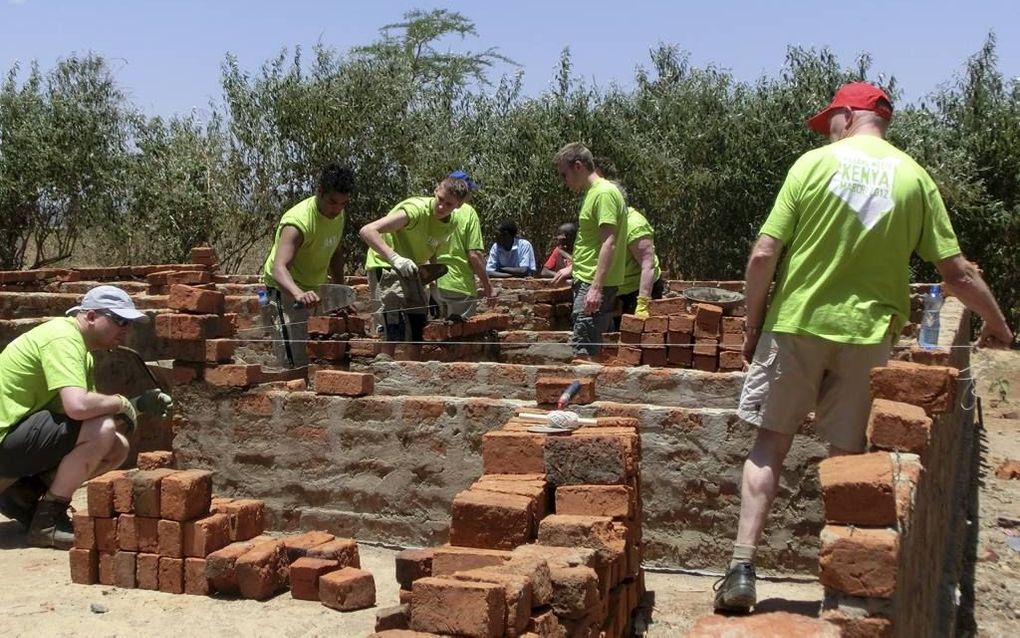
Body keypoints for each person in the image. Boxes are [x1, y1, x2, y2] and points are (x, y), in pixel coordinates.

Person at [713, 82, 1014, 613]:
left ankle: (741, 567)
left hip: (796, 325)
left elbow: (764, 254)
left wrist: (754, 324)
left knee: (768, 445)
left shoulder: (812, 166)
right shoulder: (914, 178)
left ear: (851, 115)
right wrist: (999, 325)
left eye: (829, 118)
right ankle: (844, 586)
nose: (825, 128)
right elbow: (957, 272)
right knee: (847, 458)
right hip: (867, 337)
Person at [0, 286, 173, 549]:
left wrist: (135, 406)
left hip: (15, 442)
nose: (125, 329)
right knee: (103, 429)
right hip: (5, 439)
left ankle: (23, 497)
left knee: (116, 446)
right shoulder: (62, 338)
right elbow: (79, 407)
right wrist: (120, 402)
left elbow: (83, 420)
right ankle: (46, 523)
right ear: (91, 316)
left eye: (128, 323)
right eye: (119, 320)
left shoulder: (82, 351)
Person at [360, 176, 471, 358]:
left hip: (412, 269)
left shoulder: (451, 223)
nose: (441, 207)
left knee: (417, 322)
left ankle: (412, 370)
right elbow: (368, 231)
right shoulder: (415, 211)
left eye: (449, 204)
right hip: (385, 263)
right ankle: (384, 369)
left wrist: (435, 287)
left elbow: (433, 249)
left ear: (458, 206)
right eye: (440, 199)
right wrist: (395, 258)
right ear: (435, 190)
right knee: (392, 321)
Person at [261, 163, 355, 368]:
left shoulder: (338, 215)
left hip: (313, 292)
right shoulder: (298, 222)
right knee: (292, 361)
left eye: (343, 203)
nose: (337, 209)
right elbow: (279, 268)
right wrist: (298, 294)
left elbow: (336, 253)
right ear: (319, 191)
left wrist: (340, 292)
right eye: (332, 202)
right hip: (284, 291)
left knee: (316, 356)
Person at [552, 142, 628, 359]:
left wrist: (596, 288)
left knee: (584, 352)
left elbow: (609, 243)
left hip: (592, 284)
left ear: (578, 166)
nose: (564, 181)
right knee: (584, 346)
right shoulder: (593, 193)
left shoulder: (603, 193)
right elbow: (593, 241)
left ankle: (583, 390)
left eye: (564, 174)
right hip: (585, 278)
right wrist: (573, 268)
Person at [591, 157, 664, 322]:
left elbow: (648, 265)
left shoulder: (634, 223)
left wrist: (643, 303)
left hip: (640, 291)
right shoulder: (605, 222)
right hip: (617, 290)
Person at [434, 171, 496, 319]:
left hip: (436, 282)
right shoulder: (468, 212)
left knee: (437, 336)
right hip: (459, 284)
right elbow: (474, 254)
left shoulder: (436, 208)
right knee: (461, 338)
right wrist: (487, 286)